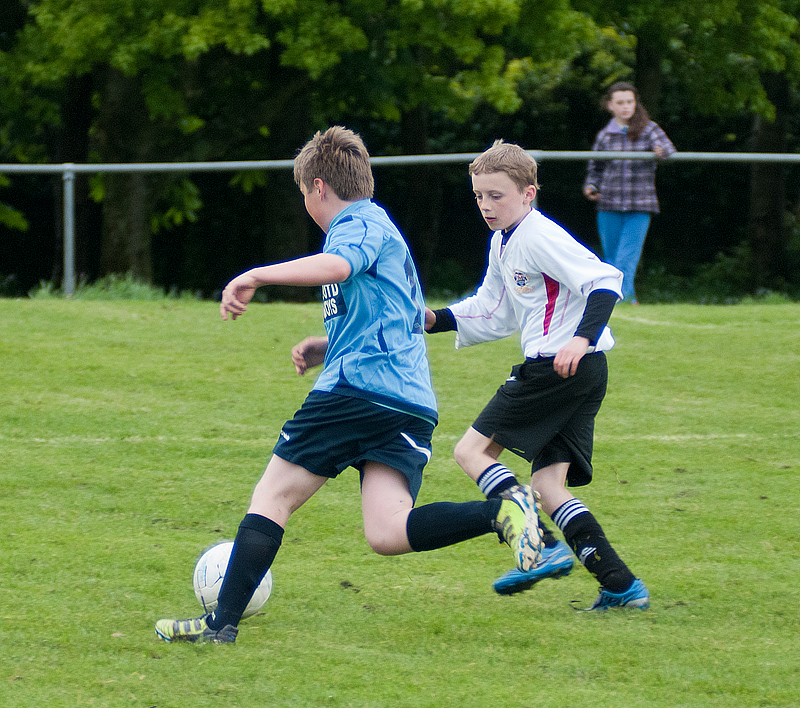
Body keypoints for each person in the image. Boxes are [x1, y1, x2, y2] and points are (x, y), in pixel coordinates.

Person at [154, 126, 542, 644]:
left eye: (304, 196)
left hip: (357, 392)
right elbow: (389, 312)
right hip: (408, 403)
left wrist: (257, 275)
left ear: (317, 188)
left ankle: (218, 624)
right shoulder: (379, 228)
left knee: (273, 495)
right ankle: (502, 510)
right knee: (387, 532)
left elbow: (338, 265)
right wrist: (325, 345)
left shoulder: (358, 223)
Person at [425, 139, 649, 610]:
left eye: (497, 195)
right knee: (548, 486)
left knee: (470, 451)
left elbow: (605, 280)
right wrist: (436, 319)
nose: (486, 205)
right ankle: (620, 584)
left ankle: (542, 546)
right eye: (479, 196)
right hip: (582, 373)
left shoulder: (538, 235)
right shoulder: (504, 241)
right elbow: (493, 311)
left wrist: (580, 338)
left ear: (529, 193)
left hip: (557, 369)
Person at [583, 81, 676, 305]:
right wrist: (591, 187)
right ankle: (624, 299)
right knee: (612, 258)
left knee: (627, 257)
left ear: (636, 104)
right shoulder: (605, 135)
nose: (626, 107)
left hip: (639, 204)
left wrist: (659, 151)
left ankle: (622, 299)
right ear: (610, 106)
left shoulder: (649, 129)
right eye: (620, 103)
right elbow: (595, 168)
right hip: (609, 204)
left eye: (630, 102)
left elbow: (668, 149)